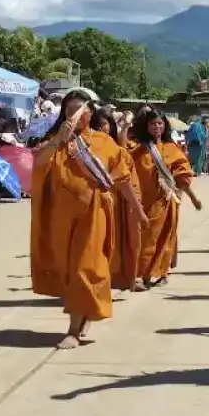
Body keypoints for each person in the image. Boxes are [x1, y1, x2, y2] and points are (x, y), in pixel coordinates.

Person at [30, 90, 149, 350]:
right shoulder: (56, 141)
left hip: (94, 214)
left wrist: (138, 211)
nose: (74, 115)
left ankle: (73, 329)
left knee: (85, 267)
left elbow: (123, 179)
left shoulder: (104, 143)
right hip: (61, 217)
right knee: (69, 271)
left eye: (79, 109)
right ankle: (82, 315)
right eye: (69, 110)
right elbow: (37, 166)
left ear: (90, 113)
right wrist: (56, 142)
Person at [129, 110, 200, 288]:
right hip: (146, 203)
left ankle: (162, 271)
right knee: (146, 239)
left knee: (166, 238)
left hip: (168, 202)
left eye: (160, 123)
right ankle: (141, 275)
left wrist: (193, 198)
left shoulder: (171, 148)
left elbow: (182, 176)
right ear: (146, 126)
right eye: (153, 124)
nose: (157, 127)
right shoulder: (138, 149)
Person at [91, 108, 145, 293]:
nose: (100, 129)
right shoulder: (84, 146)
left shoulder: (116, 148)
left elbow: (126, 177)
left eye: (104, 124)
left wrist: (136, 206)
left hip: (119, 201)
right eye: (97, 125)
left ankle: (129, 277)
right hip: (96, 203)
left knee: (126, 241)